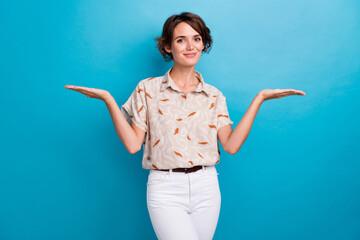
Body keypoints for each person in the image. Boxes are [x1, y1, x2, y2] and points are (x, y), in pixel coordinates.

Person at [65, 12, 305, 240]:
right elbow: (132, 144)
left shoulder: (214, 96)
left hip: (207, 187)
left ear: (203, 44)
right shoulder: (147, 89)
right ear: (168, 46)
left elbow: (231, 145)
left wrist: (259, 99)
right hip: (165, 188)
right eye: (181, 40)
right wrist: (108, 99)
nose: (190, 46)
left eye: (196, 39)